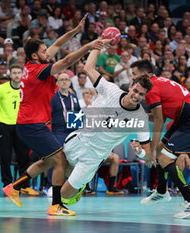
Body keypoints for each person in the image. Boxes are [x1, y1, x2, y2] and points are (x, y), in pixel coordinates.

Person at [2, 15, 104, 216]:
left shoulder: (33, 64)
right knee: (60, 160)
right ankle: (56, 205)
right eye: (43, 51)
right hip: (32, 124)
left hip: (31, 123)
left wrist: (75, 31)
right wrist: (90, 46)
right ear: (35, 56)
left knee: (48, 161)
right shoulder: (39, 71)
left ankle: (13, 187)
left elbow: (57, 44)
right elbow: (66, 60)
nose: (48, 53)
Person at [59, 45, 153, 206]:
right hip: (78, 139)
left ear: (145, 96)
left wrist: (141, 153)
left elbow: (149, 155)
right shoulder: (111, 90)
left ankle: (75, 190)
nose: (136, 96)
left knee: (64, 196)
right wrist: (97, 44)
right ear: (130, 87)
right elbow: (88, 68)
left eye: (141, 94)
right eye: (135, 91)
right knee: (61, 167)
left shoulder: (140, 118)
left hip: (95, 155)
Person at [131, 59, 190, 219]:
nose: (132, 78)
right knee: (160, 152)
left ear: (144, 74)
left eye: (134, 74)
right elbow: (161, 116)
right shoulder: (158, 82)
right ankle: (161, 191)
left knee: (163, 157)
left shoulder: (151, 90)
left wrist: (151, 151)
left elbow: (159, 121)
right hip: (183, 119)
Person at [0, 64, 38, 195]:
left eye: (18, 73)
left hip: (22, 126)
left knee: (24, 157)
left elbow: (33, 107)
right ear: (10, 75)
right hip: (4, 126)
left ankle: (24, 186)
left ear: (22, 75)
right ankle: (7, 185)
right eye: (14, 73)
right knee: (5, 157)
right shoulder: (1, 89)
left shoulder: (27, 89)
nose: (16, 75)